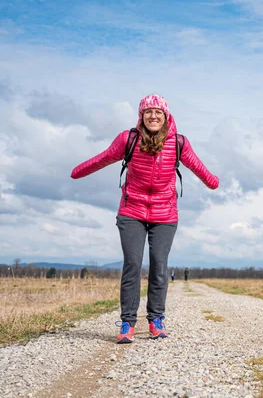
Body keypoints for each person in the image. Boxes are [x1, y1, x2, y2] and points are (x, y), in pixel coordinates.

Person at [71, 94, 219, 343]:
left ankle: (156, 320)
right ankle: (127, 323)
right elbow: (103, 158)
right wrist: (77, 172)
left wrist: (212, 182)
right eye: (148, 112)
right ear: (141, 115)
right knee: (132, 265)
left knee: (159, 267)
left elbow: (197, 166)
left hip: (165, 213)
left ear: (166, 116)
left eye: (158, 112)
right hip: (132, 211)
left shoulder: (178, 143)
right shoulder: (127, 139)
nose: (153, 116)